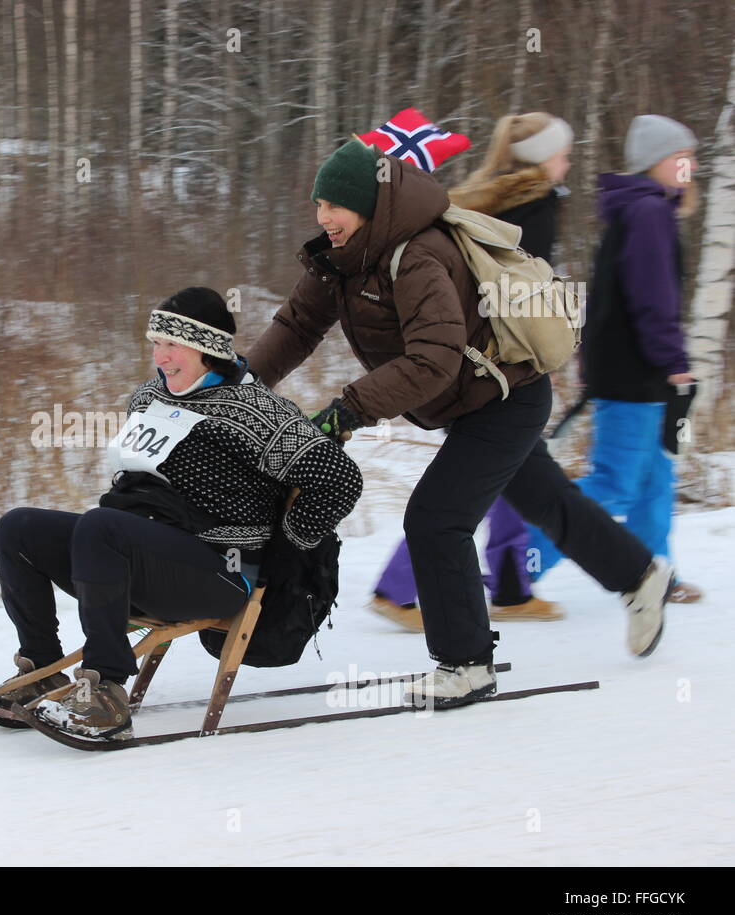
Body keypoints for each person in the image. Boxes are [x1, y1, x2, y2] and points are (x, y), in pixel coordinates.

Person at [247, 138, 672, 709]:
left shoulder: (416, 255)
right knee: (547, 502)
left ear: (370, 207)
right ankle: (640, 575)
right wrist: (234, 387)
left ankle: (467, 663)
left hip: (506, 400)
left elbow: (434, 358)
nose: (324, 218)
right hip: (468, 405)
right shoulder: (341, 259)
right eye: (319, 205)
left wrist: (349, 409)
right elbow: (297, 326)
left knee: (434, 521)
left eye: (336, 206)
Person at [0, 287, 362, 739]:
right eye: (155, 344)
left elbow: (340, 479)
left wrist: (287, 547)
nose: (160, 357)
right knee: (18, 528)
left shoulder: (256, 411)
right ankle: (43, 669)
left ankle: (105, 691)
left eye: (173, 346)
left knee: (100, 528)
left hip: (218, 570)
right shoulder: (149, 397)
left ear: (208, 351)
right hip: (140, 549)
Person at [370, 112, 573, 631]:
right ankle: (406, 588)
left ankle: (505, 585)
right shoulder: (536, 205)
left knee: (490, 476)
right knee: (481, 478)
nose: (566, 161)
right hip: (503, 363)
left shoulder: (485, 194)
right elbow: (524, 290)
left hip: (473, 360)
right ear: (540, 160)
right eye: (561, 153)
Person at [525, 115, 704, 603]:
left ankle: (655, 573)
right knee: (614, 482)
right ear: (656, 163)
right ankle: (517, 567)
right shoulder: (647, 212)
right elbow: (653, 299)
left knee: (654, 479)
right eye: (680, 157)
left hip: (636, 369)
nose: (690, 166)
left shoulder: (647, 209)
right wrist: (673, 359)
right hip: (634, 371)